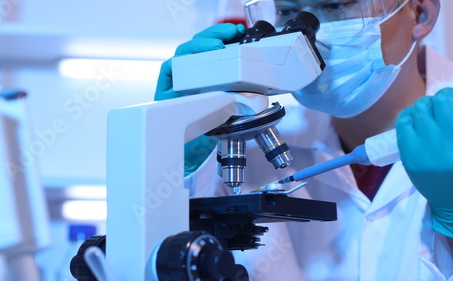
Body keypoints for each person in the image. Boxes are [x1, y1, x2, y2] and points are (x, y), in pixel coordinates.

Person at [155, 0, 453, 279]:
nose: (307, 33)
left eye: (336, 5)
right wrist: (172, 161)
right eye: (287, 11)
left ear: (420, 13)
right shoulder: (250, 141)